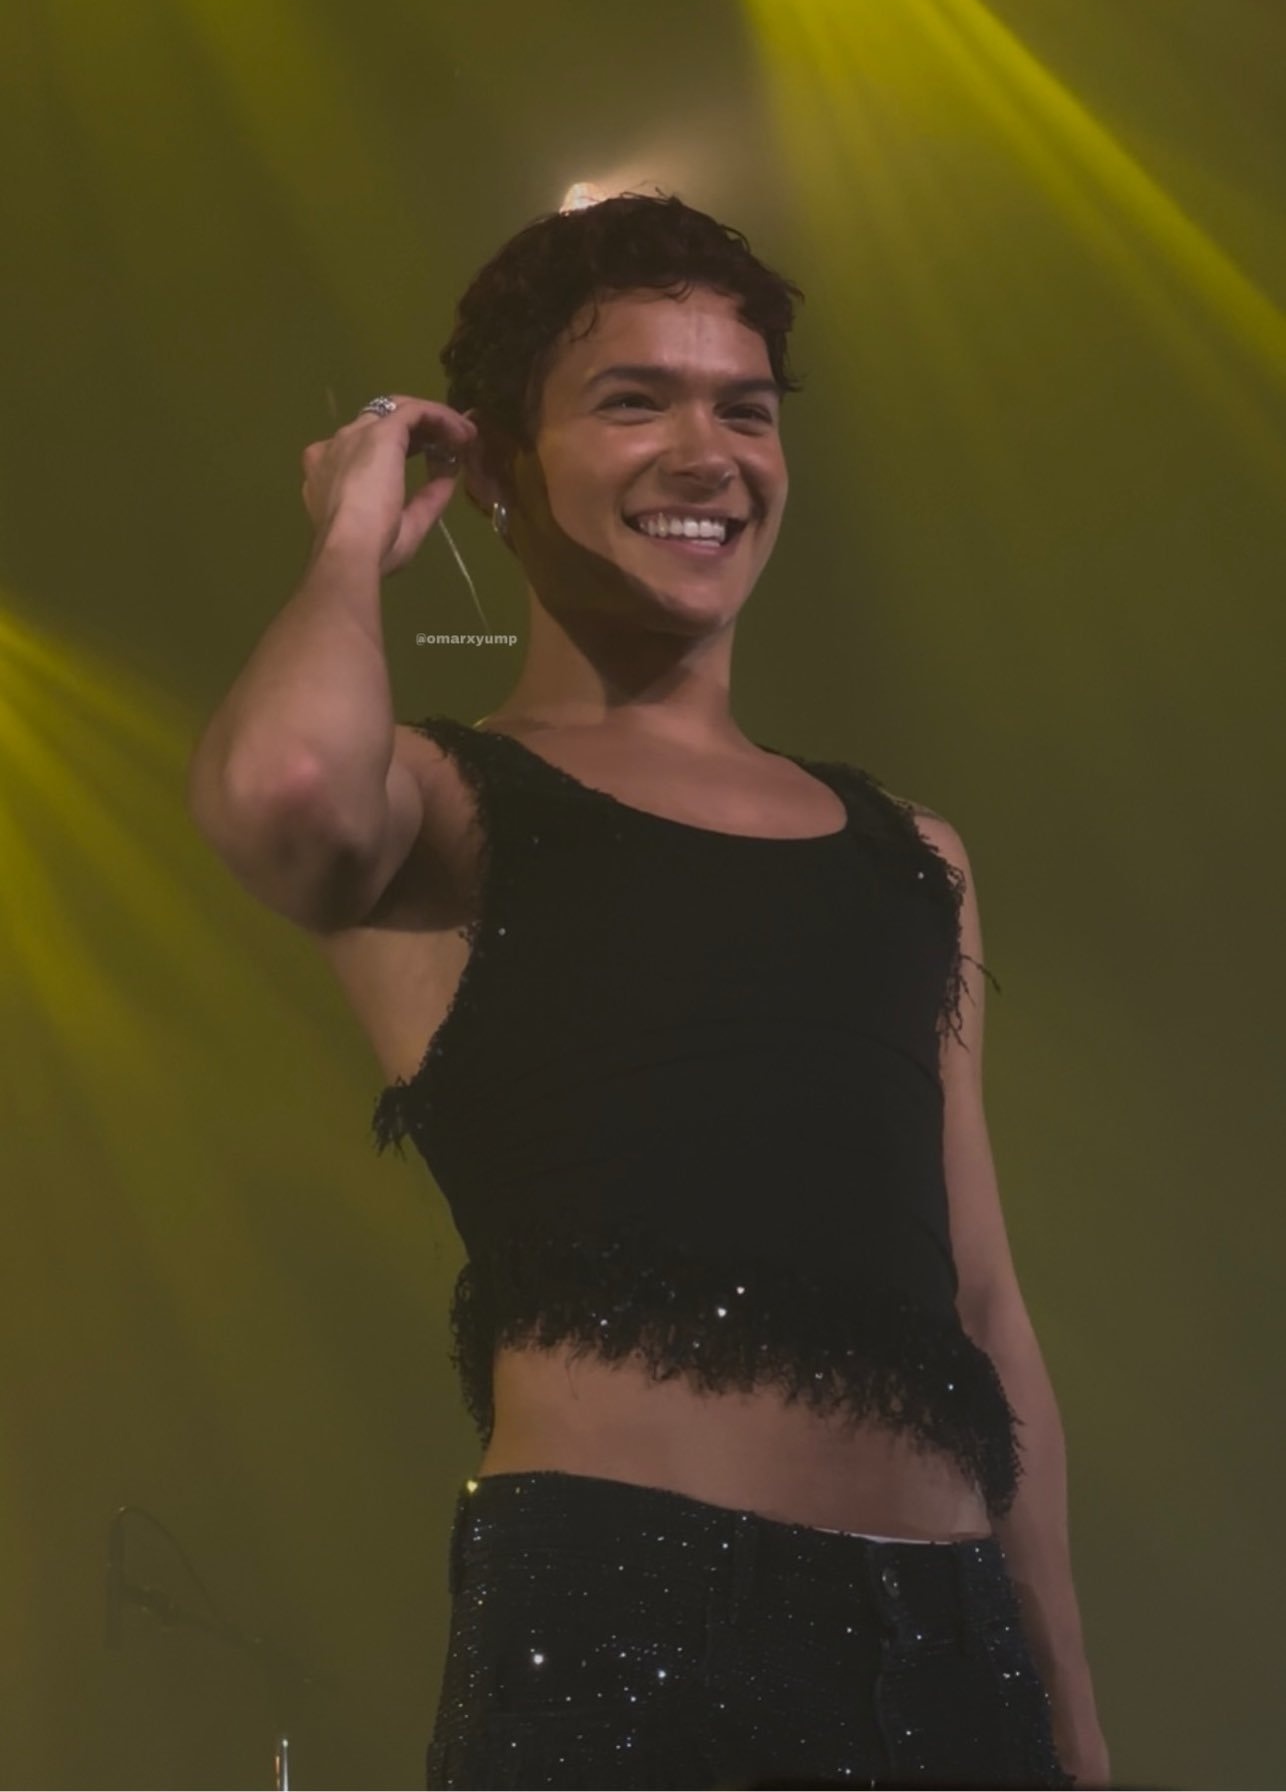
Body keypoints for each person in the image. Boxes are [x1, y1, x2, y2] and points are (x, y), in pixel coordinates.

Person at [186, 193, 1108, 1791]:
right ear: (494, 466)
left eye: (743, 410)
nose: (706, 454)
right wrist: (351, 534)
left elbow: (981, 1308)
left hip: (956, 1645)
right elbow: (283, 792)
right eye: (634, 401)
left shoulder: (913, 856)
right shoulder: (449, 805)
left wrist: (1070, 1720)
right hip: (629, 1625)